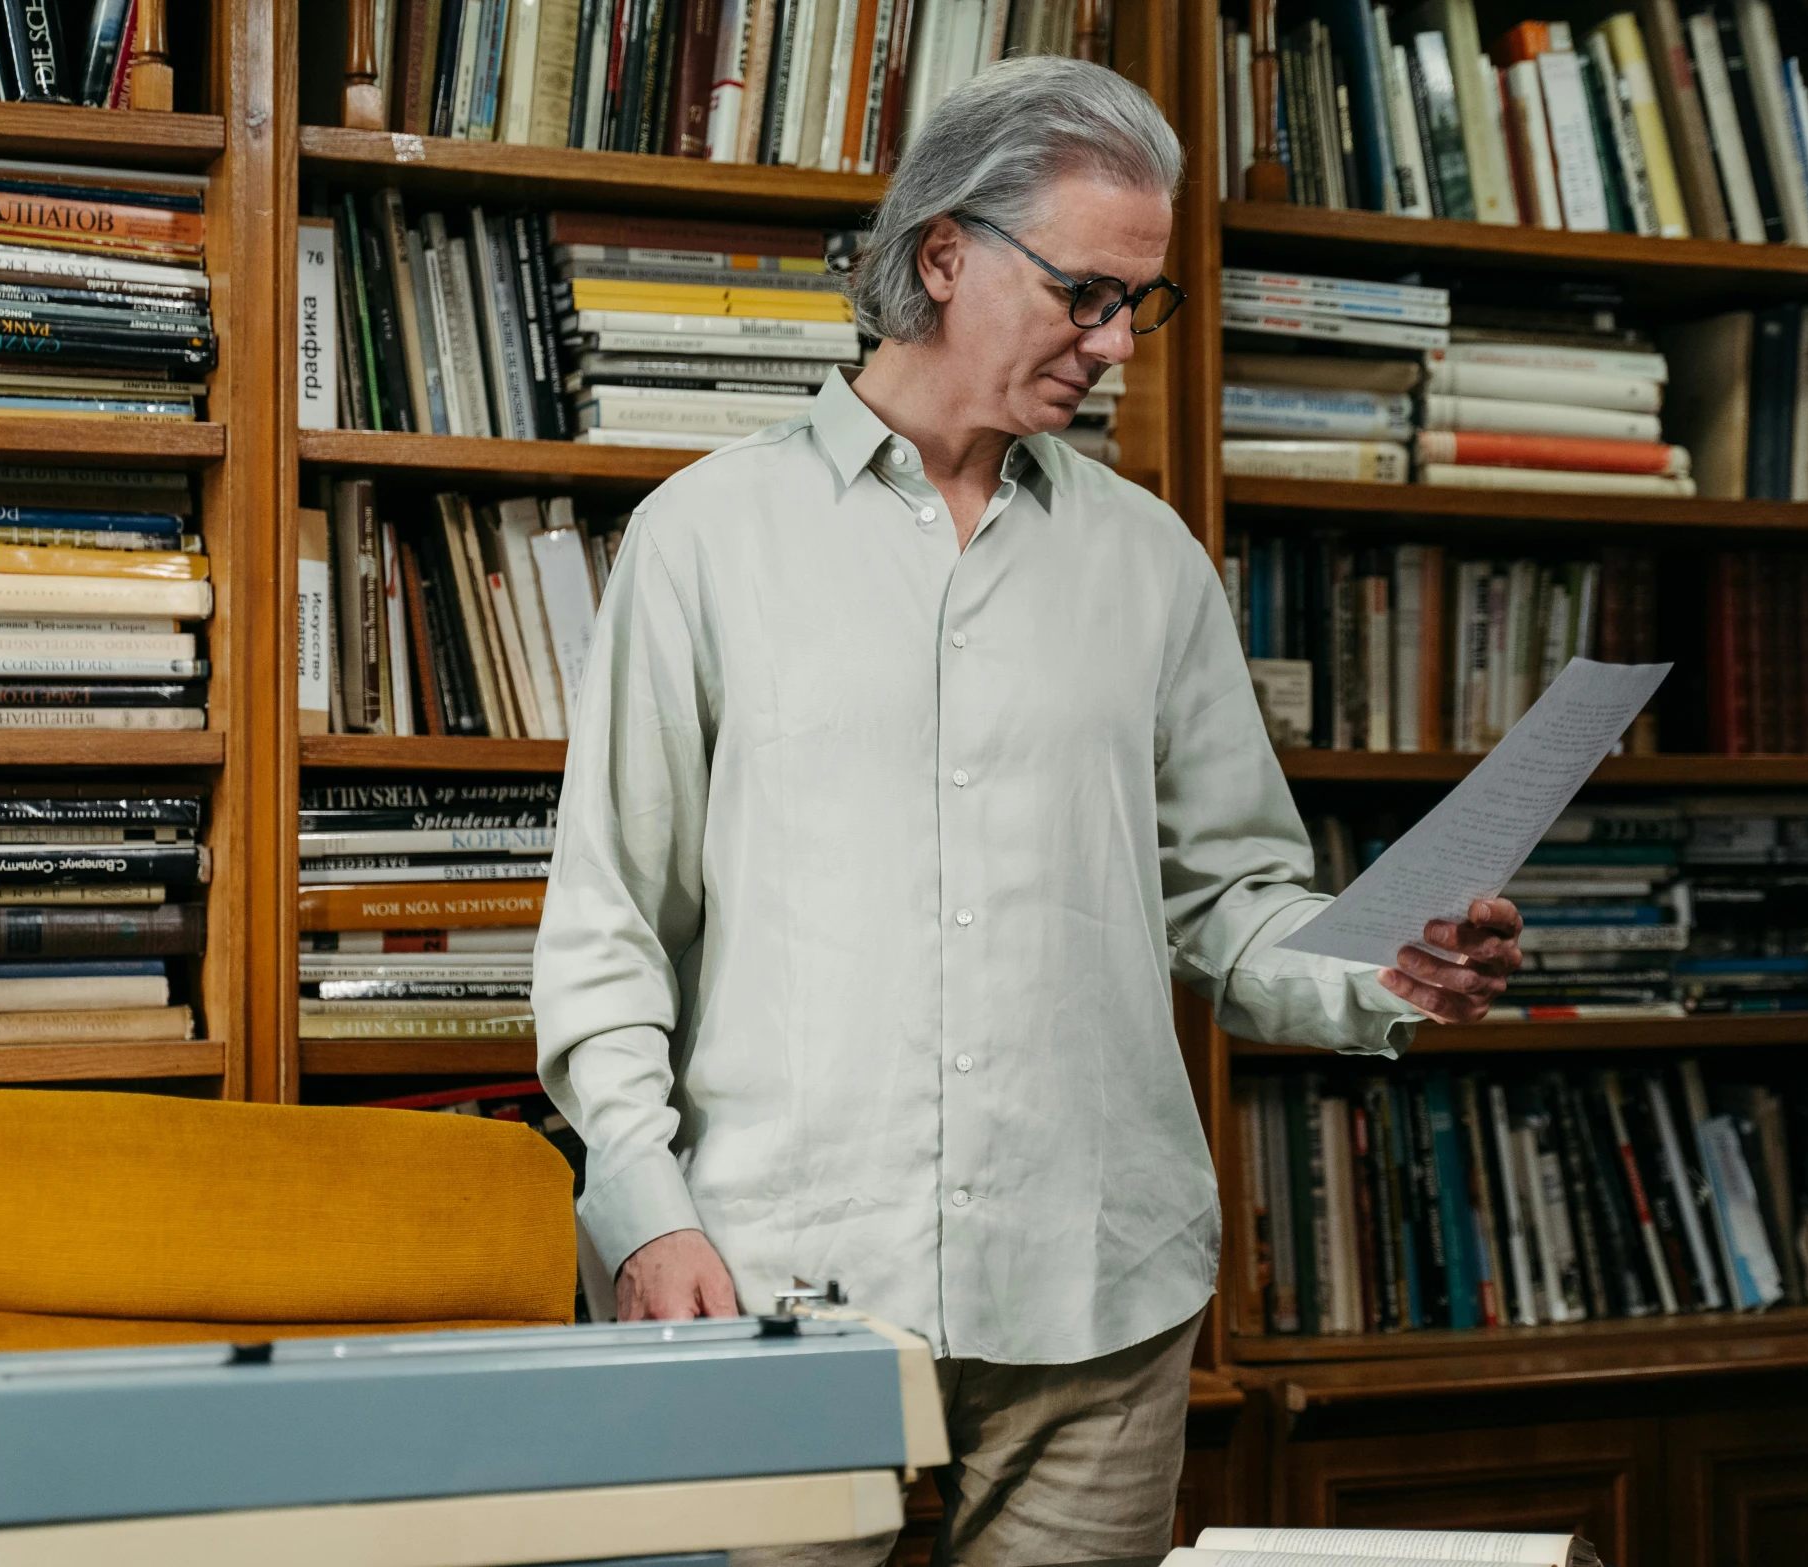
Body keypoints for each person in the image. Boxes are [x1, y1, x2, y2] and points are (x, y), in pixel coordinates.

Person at [532, 53, 1524, 1567]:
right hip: (776, 1284)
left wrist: (1386, 966)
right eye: (1087, 292)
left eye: (1142, 303)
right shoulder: (700, 544)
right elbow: (610, 924)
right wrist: (645, 1210)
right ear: (942, 255)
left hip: (1095, 1290)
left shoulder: (1150, 562)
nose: (1117, 341)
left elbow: (1227, 898)